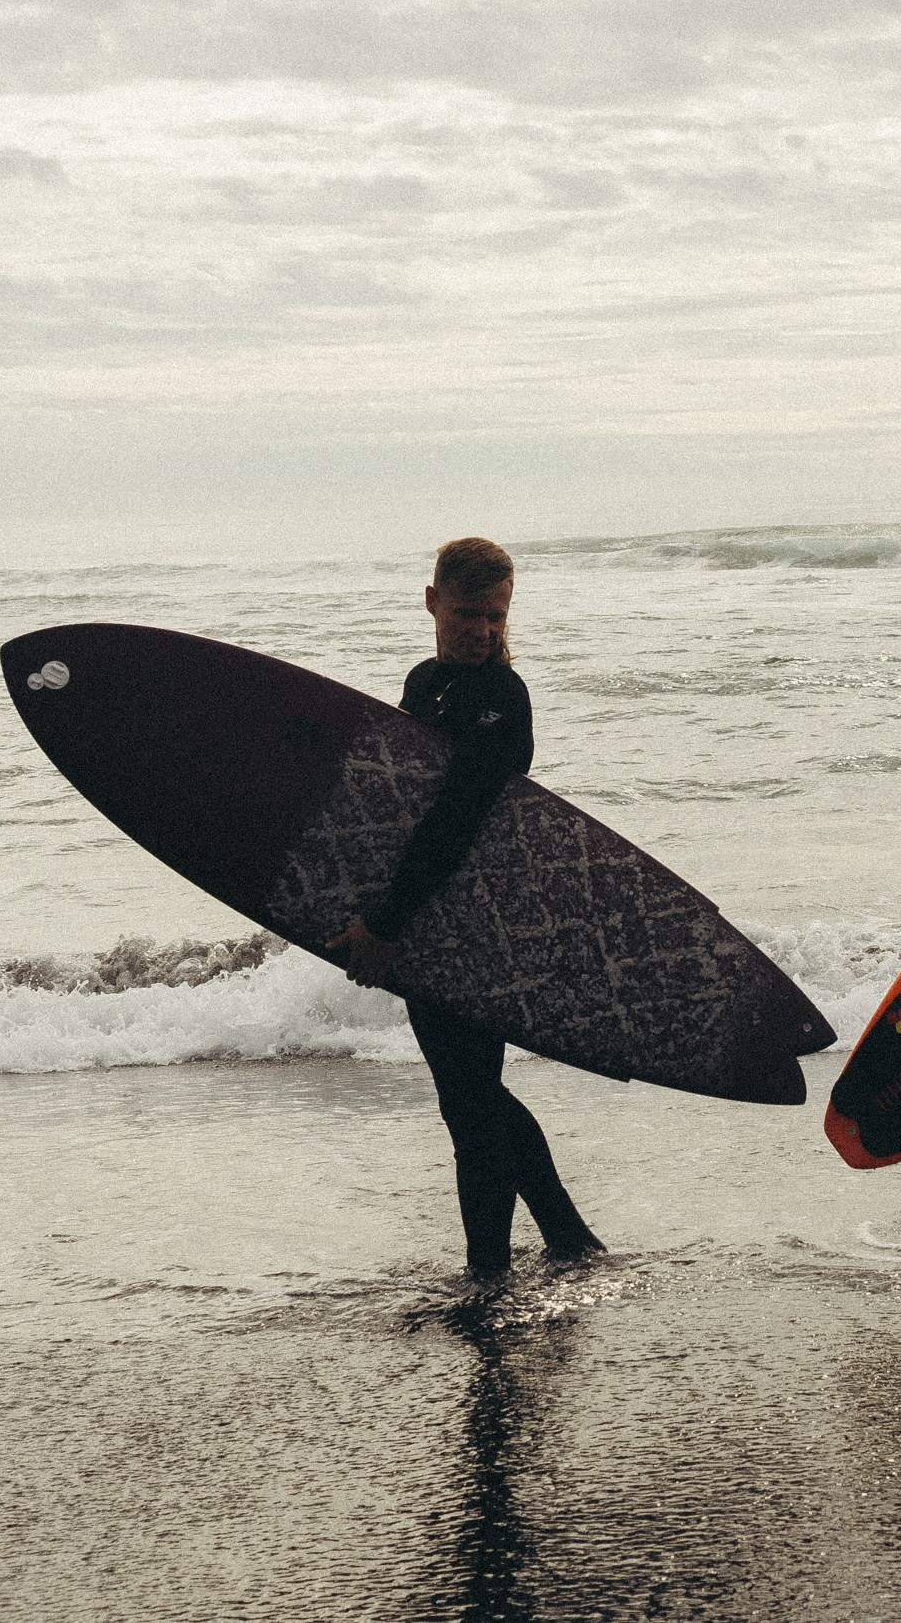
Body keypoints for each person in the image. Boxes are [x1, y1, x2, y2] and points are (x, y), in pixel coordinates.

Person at [325, 537, 605, 1278]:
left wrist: (385, 925)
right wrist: (382, 913)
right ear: (431, 602)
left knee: (472, 1099)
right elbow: (400, 810)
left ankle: (491, 1270)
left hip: (482, 923)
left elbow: (456, 816)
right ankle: (565, 1237)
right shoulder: (424, 683)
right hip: (427, 918)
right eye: (467, 614)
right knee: (467, 1097)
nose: (482, 630)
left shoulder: (503, 698)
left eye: (496, 615)